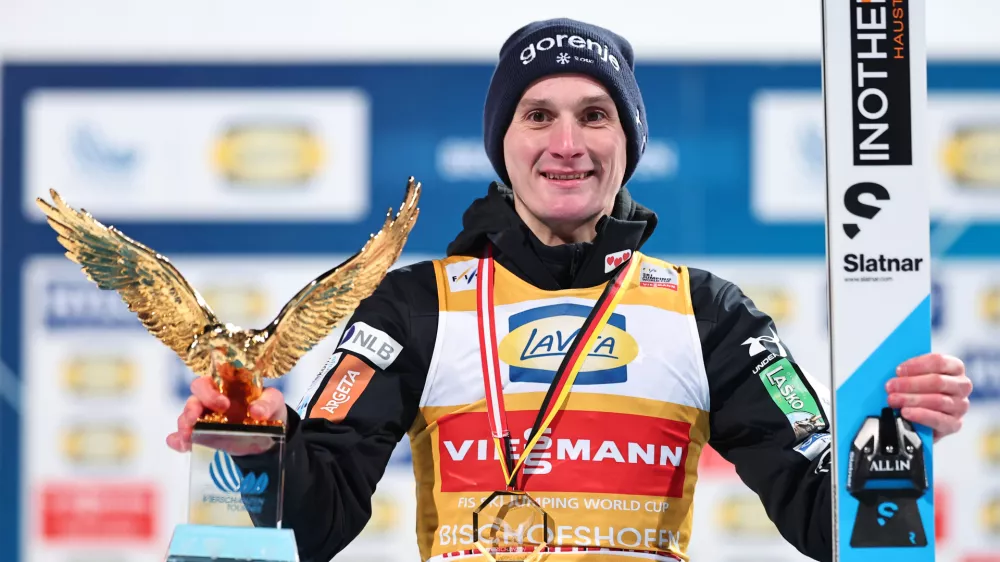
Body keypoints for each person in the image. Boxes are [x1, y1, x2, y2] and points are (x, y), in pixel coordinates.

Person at [167, 18, 973, 562]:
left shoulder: (707, 311)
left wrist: (897, 432)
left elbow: (830, 520)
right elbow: (313, 523)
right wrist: (253, 448)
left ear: (627, 142)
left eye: (594, 115)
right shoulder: (415, 306)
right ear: (502, 143)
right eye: (537, 115)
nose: (566, 144)